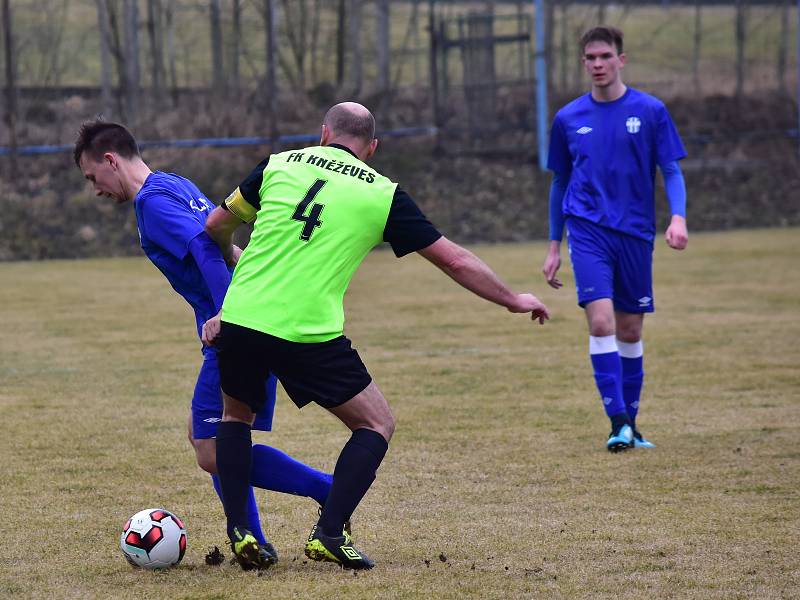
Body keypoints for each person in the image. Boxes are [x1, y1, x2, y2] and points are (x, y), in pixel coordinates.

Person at [201, 101, 550, 571]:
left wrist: (229, 255)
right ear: (372, 148)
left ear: (324, 133)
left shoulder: (278, 165)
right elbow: (455, 260)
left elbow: (216, 224)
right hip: (306, 330)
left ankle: (242, 531)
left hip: (241, 317)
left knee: (235, 417)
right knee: (375, 423)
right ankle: (329, 531)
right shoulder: (382, 194)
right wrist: (512, 299)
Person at [73, 120, 337, 568]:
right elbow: (221, 239)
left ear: (111, 161)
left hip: (236, 325)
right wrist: (252, 277)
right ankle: (251, 539)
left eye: (92, 177)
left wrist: (225, 312)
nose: (95, 190)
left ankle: (326, 492)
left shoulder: (153, 204)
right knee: (213, 437)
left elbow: (203, 249)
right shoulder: (174, 183)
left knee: (212, 447)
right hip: (253, 314)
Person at [541, 26, 688, 452]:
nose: (598, 64)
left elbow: (671, 170)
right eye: (590, 58)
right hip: (587, 230)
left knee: (629, 328)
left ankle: (632, 426)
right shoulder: (568, 118)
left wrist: (677, 217)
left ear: (621, 60)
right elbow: (559, 182)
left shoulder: (651, 111)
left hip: (636, 234)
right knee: (601, 322)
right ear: (583, 63)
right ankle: (617, 421)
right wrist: (554, 245)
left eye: (605, 56)